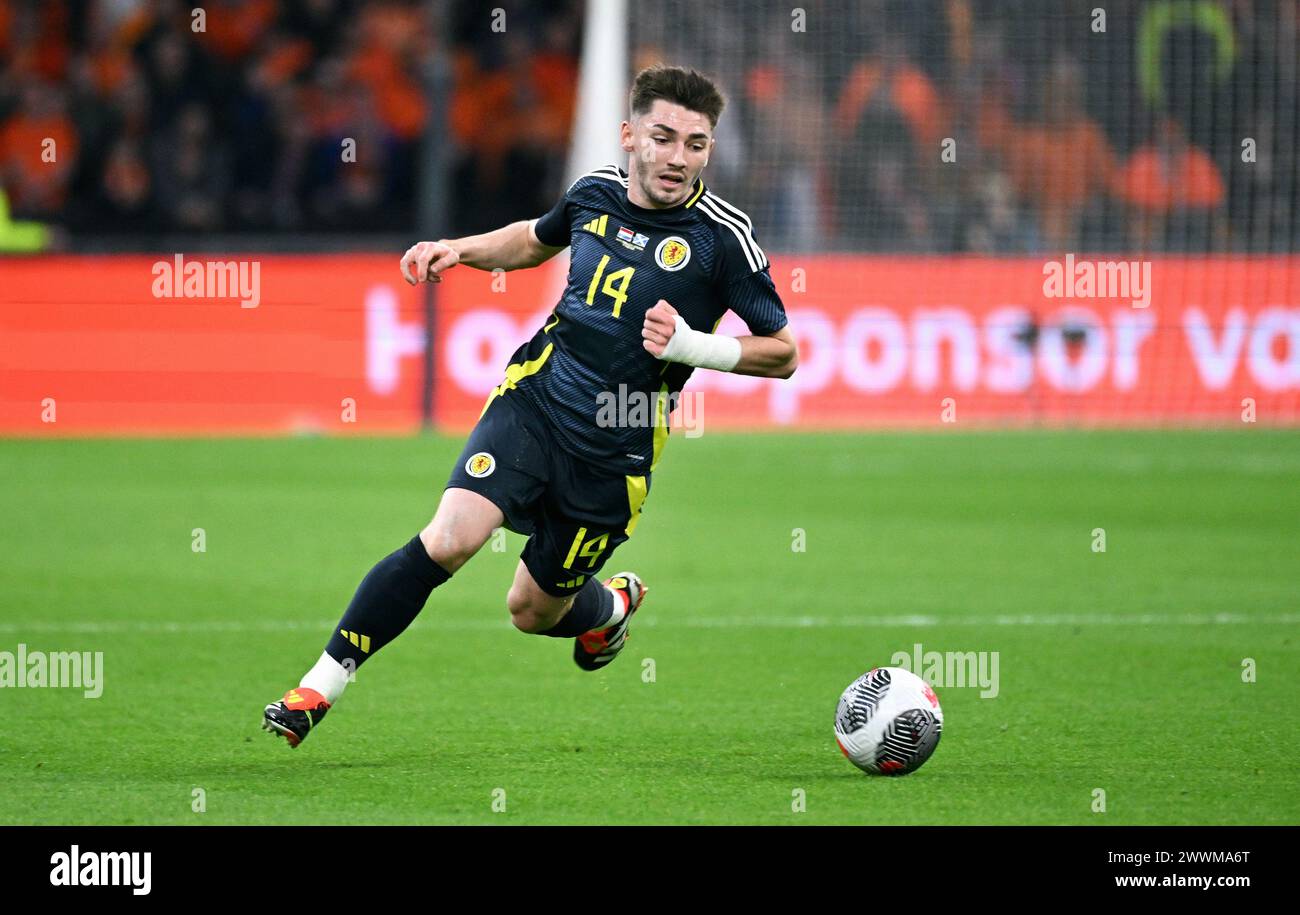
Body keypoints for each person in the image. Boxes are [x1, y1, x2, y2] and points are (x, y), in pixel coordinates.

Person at [262, 64, 799, 747]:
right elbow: (533, 240)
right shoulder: (594, 193)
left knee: (531, 609)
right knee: (451, 537)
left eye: (695, 144)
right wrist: (458, 249)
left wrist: (696, 345)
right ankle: (320, 685)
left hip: (616, 448)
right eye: (663, 137)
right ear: (630, 135)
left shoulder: (723, 237)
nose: (677, 157)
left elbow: (784, 353)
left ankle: (610, 608)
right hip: (538, 399)